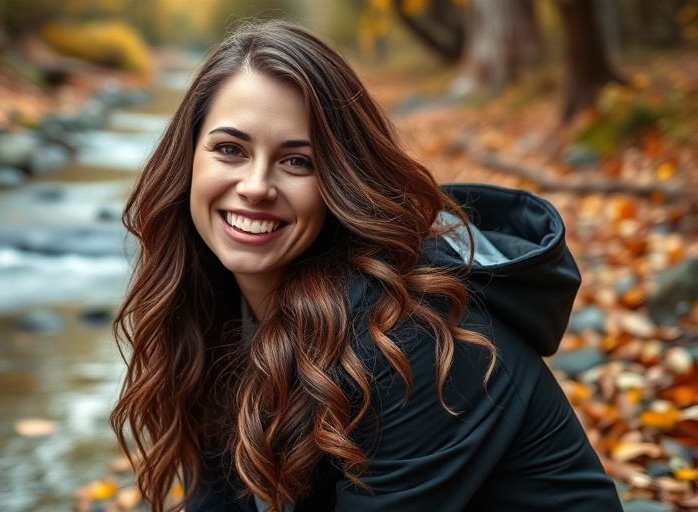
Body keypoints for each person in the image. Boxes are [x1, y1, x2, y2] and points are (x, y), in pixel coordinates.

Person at [110, 19, 623, 512]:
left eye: (297, 161)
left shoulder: (409, 336)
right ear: (188, 159)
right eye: (229, 149)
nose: (255, 187)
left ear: (340, 180)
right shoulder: (209, 300)